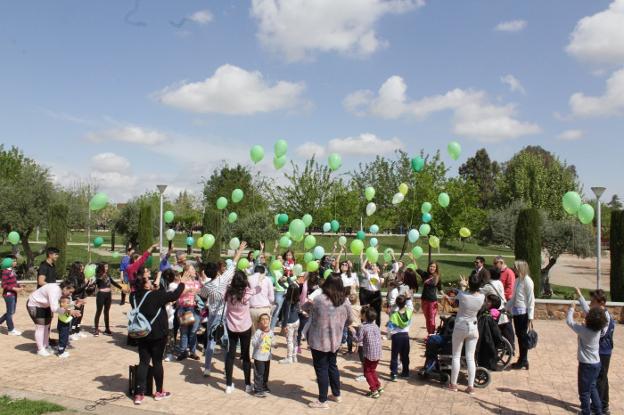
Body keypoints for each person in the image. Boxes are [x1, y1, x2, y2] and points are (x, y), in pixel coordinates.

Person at [131, 268, 185, 405]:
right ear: (145, 284)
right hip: (158, 334)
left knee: (143, 362)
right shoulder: (155, 296)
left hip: (141, 333)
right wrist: (182, 283)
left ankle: (139, 394)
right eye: (148, 280)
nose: (150, 282)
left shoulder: (133, 296)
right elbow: (174, 295)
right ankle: (159, 391)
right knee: (157, 362)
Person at [200, 242, 246, 377]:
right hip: (225, 316)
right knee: (227, 343)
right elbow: (233, 263)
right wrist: (240, 250)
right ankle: (227, 369)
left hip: (213, 315)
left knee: (211, 342)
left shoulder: (207, 286)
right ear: (217, 271)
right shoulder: (224, 279)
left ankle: (207, 368)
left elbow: (202, 295)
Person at [306, 275, 352, 409]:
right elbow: (350, 320)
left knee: (321, 369)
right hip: (335, 340)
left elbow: (306, 309)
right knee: (332, 366)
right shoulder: (345, 301)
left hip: (319, 341)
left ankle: (322, 400)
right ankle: (336, 394)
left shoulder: (319, 299)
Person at [576, 288, 614, 415]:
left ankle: (603, 407)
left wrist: (586, 329)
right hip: (598, 351)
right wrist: (580, 296)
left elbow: (601, 333)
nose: (591, 302)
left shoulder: (606, 317)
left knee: (601, 379)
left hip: (604, 352)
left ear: (601, 302)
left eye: (593, 300)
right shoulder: (597, 313)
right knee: (598, 379)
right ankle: (599, 406)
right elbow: (587, 310)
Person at [566, 301, 608, 415]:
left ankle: (586, 412)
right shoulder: (599, 329)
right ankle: (599, 412)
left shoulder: (584, 330)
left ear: (590, 320)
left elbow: (569, 321)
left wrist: (571, 308)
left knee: (584, 392)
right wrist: (580, 298)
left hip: (586, 366)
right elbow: (592, 315)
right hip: (596, 364)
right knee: (593, 387)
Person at [447, 274, 484, 394]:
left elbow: (455, 298)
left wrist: (463, 285)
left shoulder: (463, 295)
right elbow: (468, 292)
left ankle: (453, 384)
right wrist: (466, 285)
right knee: (470, 357)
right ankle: (470, 386)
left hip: (461, 326)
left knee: (456, 356)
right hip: (473, 327)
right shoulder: (482, 297)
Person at [27, 281, 81, 356]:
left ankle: (46, 345)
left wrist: (74, 303)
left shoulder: (61, 291)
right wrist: (69, 312)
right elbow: (54, 308)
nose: (70, 294)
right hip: (34, 304)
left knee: (47, 326)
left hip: (45, 305)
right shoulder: (55, 290)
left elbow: (63, 303)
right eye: (70, 292)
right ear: (65, 288)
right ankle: (40, 349)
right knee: (41, 327)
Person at [224, 270, 254, 394]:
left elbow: (226, 285)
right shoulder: (247, 293)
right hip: (245, 327)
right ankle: (247, 384)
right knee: (245, 355)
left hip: (231, 327)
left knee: (230, 355)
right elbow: (254, 287)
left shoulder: (228, 294)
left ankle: (228, 385)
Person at [506, 260, 535, 370]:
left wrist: (530, 317)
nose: (513, 269)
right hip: (517, 312)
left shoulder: (527, 281)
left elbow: (531, 299)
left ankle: (523, 360)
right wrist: (506, 307)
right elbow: (514, 298)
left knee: (522, 337)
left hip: (523, 313)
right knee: (519, 336)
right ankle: (522, 359)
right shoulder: (518, 280)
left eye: (515, 267)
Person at [352, 307, 383, 398]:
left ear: (364, 316)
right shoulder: (376, 326)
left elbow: (358, 339)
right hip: (377, 353)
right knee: (372, 370)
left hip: (369, 354)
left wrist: (353, 332)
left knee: (367, 372)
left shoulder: (363, 327)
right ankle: (378, 386)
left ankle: (374, 390)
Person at [176, 264, 202, 361]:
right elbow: (178, 294)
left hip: (194, 309)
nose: (194, 270)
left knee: (193, 332)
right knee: (184, 332)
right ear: (187, 272)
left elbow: (201, 293)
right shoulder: (183, 283)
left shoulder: (196, 282)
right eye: (192, 269)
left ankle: (192, 352)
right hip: (185, 309)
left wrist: (198, 293)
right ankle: (183, 352)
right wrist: (188, 290)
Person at [93, 262, 124, 336]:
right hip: (101, 295)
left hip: (108, 295)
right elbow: (95, 282)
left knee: (106, 312)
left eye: (107, 267)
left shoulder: (108, 275)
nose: (107, 268)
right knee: (99, 311)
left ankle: (107, 329)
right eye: (105, 267)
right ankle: (96, 329)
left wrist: (122, 288)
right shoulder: (98, 275)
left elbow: (113, 282)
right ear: (101, 267)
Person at [388, 295, 413, 381]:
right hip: (406, 336)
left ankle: (394, 374)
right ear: (405, 303)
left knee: (394, 356)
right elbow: (410, 305)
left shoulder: (394, 315)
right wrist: (409, 298)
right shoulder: (409, 312)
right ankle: (406, 372)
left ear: (396, 304)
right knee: (405, 355)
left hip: (396, 336)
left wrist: (389, 335)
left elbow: (390, 328)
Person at [251, 313, 273, 398]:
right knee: (259, 373)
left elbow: (272, 341)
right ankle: (258, 390)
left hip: (267, 357)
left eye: (267, 319)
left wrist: (275, 344)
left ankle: (264, 386)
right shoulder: (258, 332)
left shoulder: (270, 332)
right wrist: (260, 338)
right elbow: (253, 343)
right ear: (259, 322)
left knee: (265, 373)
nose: (265, 321)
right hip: (259, 357)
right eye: (263, 319)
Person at [279, 277, 301, 364]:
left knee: (289, 341)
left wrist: (284, 325)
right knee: (295, 340)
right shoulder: (296, 298)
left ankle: (289, 358)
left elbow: (286, 314)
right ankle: (295, 356)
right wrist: (288, 278)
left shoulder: (287, 301)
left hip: (290, 323)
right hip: (296, 321)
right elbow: (292, 286)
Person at [416, 262, 441, 335]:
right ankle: (429, 334)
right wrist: (413, 259)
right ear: (428, 267)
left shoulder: (437, 277)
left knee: (431, 319)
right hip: (424, 299)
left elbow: (440, 288)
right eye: (431, 266)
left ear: (436, 268)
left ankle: (432, 335)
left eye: (434, 267)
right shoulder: (425, 274)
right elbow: (417, 269)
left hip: (432, 301)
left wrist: (445, 295)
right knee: (427, 318)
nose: (432, 268)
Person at [66, 262, 89, 340]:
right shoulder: (73, 277)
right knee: (75, 316)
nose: (83, 268)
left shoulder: (81, 275)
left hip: (82, 297)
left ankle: (77, 331)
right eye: (81, 267)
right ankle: (71, 332)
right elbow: (76, 289)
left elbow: (83, 288)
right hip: (76, 298)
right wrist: (86, 283)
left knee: (80, 315)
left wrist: (89, 283)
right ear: (77, 268)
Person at [248, 265, 274, 332]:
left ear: (254, 271)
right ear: (263, 272)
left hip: (252, 310)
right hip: (264, 309)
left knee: (253, 335)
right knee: (264, 335)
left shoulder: (249, 278)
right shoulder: (267, 279)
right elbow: (272, 298)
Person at [1, 255, 23, 335]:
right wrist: (15, 289)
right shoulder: (5, 272)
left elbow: (14, 282)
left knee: (11, 312)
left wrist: (19, 286)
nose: (15, 262)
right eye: (13, 261)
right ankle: (11, 330)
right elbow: (4, 285)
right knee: (10, 313)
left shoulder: (11, 271)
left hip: (13, 294)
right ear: (8, 263)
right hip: (8, 295)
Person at [359, 255, 383, 327]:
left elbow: (381, 284)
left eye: (374, 266)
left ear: (378, 269)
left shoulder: (380, 277)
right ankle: (364, 326)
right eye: (372, 266)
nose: (372, 267)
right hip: (368, 295)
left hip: (376, 295)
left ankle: (377, 328)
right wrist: (367, 257)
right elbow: (362, 268)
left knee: (377, 313)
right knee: (365, 310)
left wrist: (381, 281)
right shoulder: (369, 274)